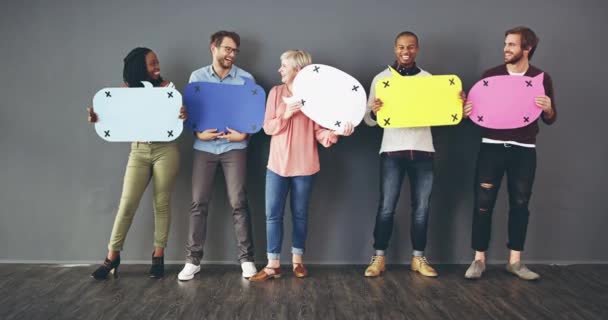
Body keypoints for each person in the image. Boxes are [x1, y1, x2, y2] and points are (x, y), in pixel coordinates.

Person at [249, 50, 354, 281]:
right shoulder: (276, 93)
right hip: (277, 165)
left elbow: (320, 132)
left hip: (305, 166)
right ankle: (272, 265)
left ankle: (298, 261)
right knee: (272, 215)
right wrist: (285, 114)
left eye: (284, 66)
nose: (280, 70)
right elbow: (268, 128)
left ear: (297, 69)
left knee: (300, 215)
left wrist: (338, 132)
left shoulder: (315, 96)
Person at [462, 26, 556, 280]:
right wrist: (466, 112)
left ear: (528, 48)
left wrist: (548, 109)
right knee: (483, 204)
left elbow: (550, 118)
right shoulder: (490, 77)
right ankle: (478, 260)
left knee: (520, 203)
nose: (506, 49)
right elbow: (477, 118)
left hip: (524, 150)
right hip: (491, 148)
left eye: (512, 45)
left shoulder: (541, 78)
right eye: (505, 44)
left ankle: (515, 261)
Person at [89, 47, 185, 280]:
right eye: (152, 63)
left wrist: (182, 113)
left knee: (161, 203)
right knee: (127, 204)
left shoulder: (167, 89)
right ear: (139, 68)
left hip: (165, 150)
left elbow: (174, 117)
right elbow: (116, 119)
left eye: (157, 62)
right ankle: (112, 257)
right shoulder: (125, 93)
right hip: (139, 150)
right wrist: (98, 117)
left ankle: (158, 256)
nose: (157, 67)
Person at [178, 31, 258, 281]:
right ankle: (193, 261)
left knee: (238, 203)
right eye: (227, 49)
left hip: (235, 149)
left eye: (235, 51)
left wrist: (243, 136)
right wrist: (198, 134)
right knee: (198, 203)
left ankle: (246, 260)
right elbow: (191, 114)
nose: (231, 55)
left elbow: (254, 116)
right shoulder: (197, 77)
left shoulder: (246, 79)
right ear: (213, 48)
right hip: (204, 149)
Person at [363, 31, 439, 278]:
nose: (405, 51)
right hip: (392, 150)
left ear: (417, 49)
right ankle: (379, 257)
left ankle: (418, 258)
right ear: (394, 49)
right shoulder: (382, 79)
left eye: (410, 47)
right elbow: (369, 120)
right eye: (401, 47)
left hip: (423, 150)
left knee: (422, 208)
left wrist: (454, 101)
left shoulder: (429, 80)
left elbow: (440, 112)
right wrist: (374, 112)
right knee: (386, 206)